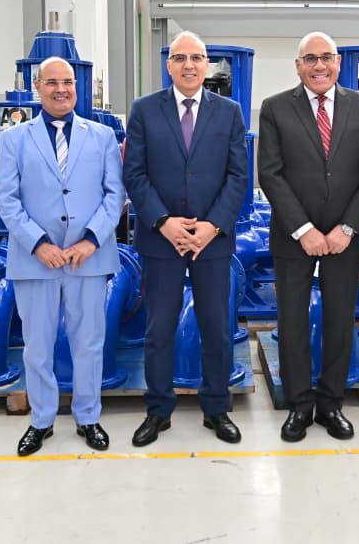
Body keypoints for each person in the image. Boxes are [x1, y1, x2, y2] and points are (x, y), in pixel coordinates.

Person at [0, 56, 125, 456]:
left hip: (88, 258)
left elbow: (115, 194)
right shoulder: (14, 139)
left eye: (67, 82)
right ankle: (41, 420)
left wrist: (91, 240)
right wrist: (38, 244)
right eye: (51, 82)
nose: (61, 89)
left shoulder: (102, 137)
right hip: (36, 260)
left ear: (76, 87)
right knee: (37, 346)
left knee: (89, 343)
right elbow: (6, 198)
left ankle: (88, 417)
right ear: (37, 87)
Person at [122, 31, 247, 447]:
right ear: (168, 65)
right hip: (161, 240)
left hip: (213, 240)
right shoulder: (144, 110)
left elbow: (238, 175)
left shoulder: (229, 112)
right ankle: (158, 410)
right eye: (180, 58)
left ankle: (217, 408)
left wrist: (213, 225)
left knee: (216, 327)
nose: (189, 65)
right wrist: (163, 221)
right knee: (159, 329)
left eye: (196, 57)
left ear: (207, 64)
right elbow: (134, 173)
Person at [257, 31, 359, 442]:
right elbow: (270, 174)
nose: (319, 65)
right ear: (298, 66)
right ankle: (299, 404)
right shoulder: (275, 108)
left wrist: (347, 228)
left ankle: (331, 403)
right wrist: (304, 230)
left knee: (340, 320)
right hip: (294, 236)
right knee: (292, 321)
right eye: (310, 58)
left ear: (339, 62)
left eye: (326, 57)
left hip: (345, 237)